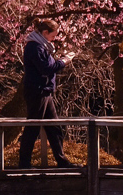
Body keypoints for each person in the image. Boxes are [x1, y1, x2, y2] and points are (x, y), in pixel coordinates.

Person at [18, 18, 78, 168]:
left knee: (54, 127)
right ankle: (24, 163)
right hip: (38, 91)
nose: (54, 39)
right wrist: (64, 61)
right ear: (45, 33)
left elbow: (49, 65)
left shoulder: (42, 46)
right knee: (33, 126)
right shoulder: (35, 47)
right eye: (52, 36)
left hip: (44, 91)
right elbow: (46, 68)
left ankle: (61, 160)